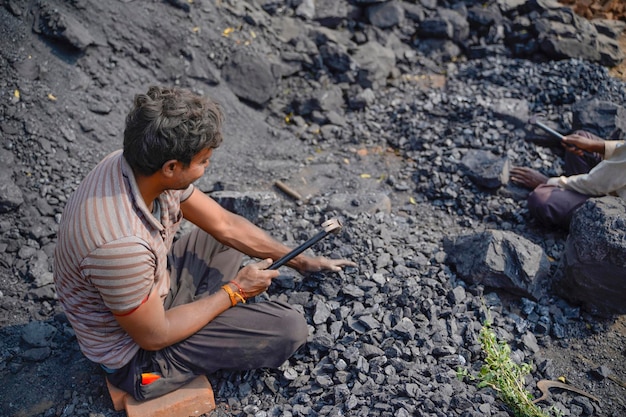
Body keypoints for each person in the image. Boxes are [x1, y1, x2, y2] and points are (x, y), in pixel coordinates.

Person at [53, 85, 356, 401]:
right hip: (137, 358)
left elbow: (224, 225)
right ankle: (157, 377)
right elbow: (155, 336)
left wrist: (298, 260)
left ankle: (199, 315)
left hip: (153, 292)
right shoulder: (120, 247)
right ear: (171, 167)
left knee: (226, 239)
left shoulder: (131, 164)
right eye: (204, 161)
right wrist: (235, 291)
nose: (207, 167)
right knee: (288, 328)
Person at [510, 130, 626, 230]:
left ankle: (579, 212)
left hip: (619, 211)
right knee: (581, 137)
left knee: (541, 198)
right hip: (610, 182)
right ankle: (574, 193)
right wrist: (595, 146)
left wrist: (548, 181)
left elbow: (597, 183)